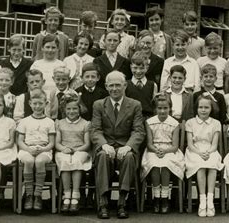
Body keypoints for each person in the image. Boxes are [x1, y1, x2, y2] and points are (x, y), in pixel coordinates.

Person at [91, 71, 145, 219]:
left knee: (128, 157)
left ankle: (122, 201)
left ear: (125, 86)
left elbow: (138, 131)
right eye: (111, 85)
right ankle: (103, 203)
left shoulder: (134, 105)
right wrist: (103, 144)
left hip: (125, 146)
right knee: (102, 156)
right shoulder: (99, 105)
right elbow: (95, 130)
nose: (114, 89)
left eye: (118, 85)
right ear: (106, 87)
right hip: (106, 145)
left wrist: (128, 146)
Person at [141, 93, 184, 214]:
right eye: (159, 108)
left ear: (170, 108)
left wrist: (164, 151)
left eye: (165, 108)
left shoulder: (174, 123)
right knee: (154, 164)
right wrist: (156, 150)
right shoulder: (149, 122)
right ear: (155, 109)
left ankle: (165, 198)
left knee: (165, 164)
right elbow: (149, 144)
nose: (162, 111)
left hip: (170, 150)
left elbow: (175, 146)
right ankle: (156, 197)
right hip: (153, 149)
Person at [185, 95, 224, 217]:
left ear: (211, 108)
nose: (203, 110)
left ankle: (210, 200)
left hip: (210, 150)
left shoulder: (216, 123)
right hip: (194, 151)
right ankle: (202, 200)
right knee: (200, 165)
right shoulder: (190, 123)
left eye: (206, 107)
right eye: (200, 107)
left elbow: (214, 144)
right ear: (196, 108)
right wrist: (199, 153)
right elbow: (190, 144)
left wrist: (208, 152)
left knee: (212, 165)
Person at [17, 89, 55, 211]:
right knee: (28, 161)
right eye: (35, 104)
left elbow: (52, 143)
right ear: (30, 103)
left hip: (44, 149)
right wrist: (28, 149)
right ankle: (29, 194)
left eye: (40, 104)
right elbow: (20, 141)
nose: (37, 106)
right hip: (27, 149)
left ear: (46, 103)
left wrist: (43, 149)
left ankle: (37, 195)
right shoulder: (24, 121)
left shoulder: (49, 122)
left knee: (39, 162)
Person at [55, 94, 92, 213]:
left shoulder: (86, 124)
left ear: (79, 109)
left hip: (80, 150)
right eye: (69, 109)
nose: (72, 111)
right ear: (64, 110)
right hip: (64, 150)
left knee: (76, 160)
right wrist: (63, 149)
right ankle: (66, 195)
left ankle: (75, 195)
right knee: (65, 160)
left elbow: (87, 144)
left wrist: (76, 150)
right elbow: (57, 143)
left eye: (75, 108)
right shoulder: (59, 123)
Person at [125, 51, 158, 118]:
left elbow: (155, 106)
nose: (138, 71)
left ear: (147, 68)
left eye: (142, 68)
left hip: (148, 119)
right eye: (135, 68)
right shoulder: (125, 85)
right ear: (131, 67)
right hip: (130, 119)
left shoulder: (152, 85)